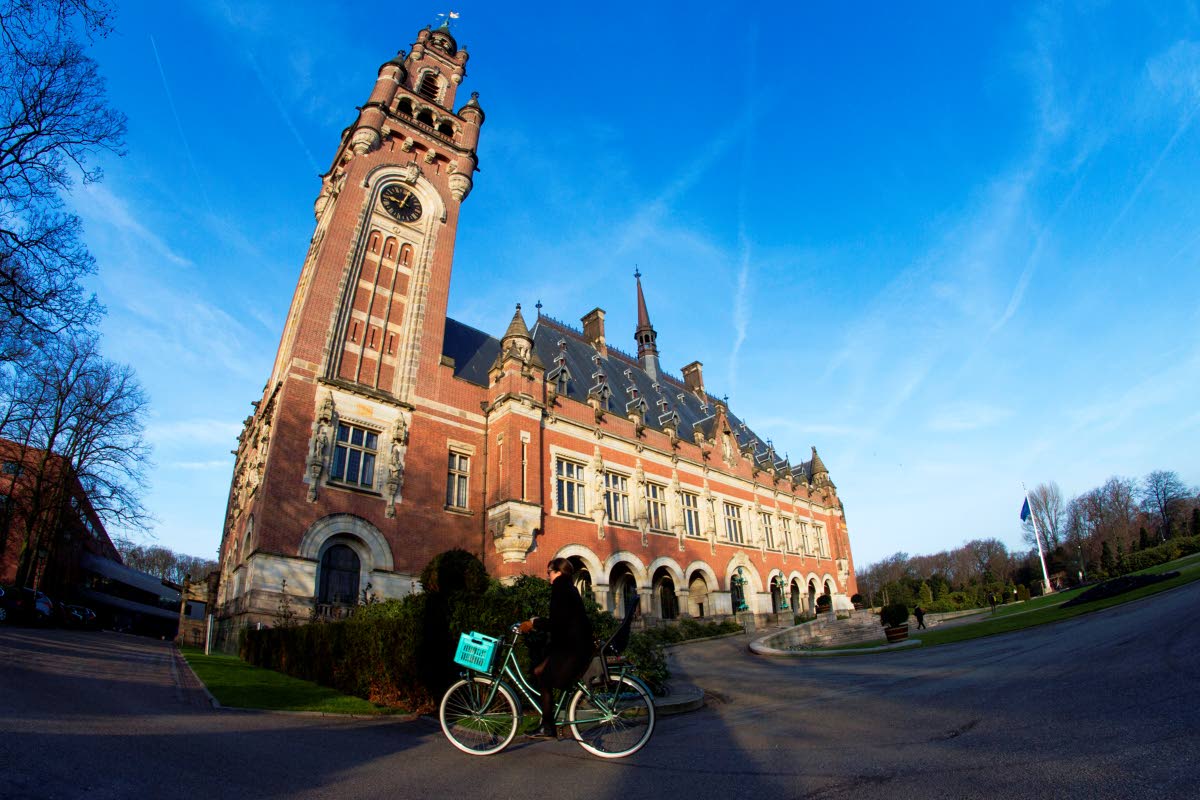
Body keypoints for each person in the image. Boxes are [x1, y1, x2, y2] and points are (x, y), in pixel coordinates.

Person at [519, 558, 594, 740]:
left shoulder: (560, 589)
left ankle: (547, 727)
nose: (548, 577)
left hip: (572, 649)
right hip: (574, 646)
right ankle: (547, 722)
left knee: (545, 678)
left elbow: (556, 624)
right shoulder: (569, 588)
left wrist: (535, 622)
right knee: (540, 671)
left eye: (549, 573)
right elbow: (563, 621)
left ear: (558, 573)